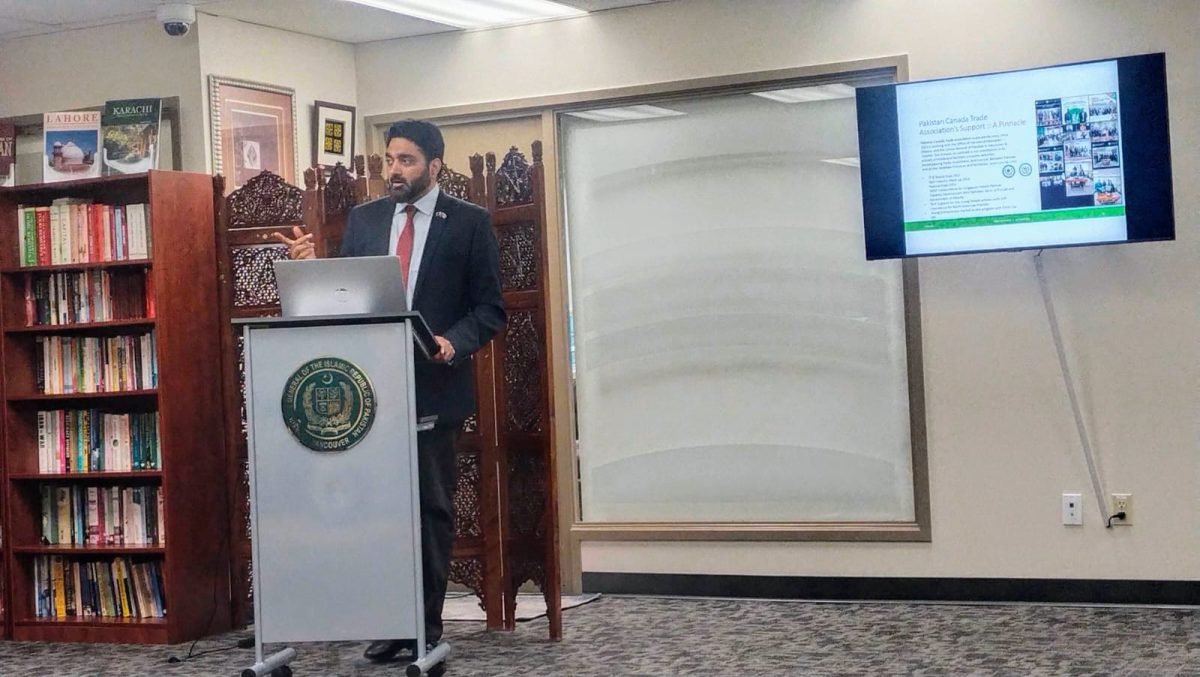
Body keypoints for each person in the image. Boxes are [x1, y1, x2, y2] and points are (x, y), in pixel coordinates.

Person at [273, 119, 505, 666]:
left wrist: (452, 342)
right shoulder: (366, 218)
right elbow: (348, 298)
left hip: (433, 389)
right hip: (367, 392)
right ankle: (390, 622)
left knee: (428, 510)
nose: (394, 171)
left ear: (434, 166)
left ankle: (423, 627)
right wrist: (312, 269)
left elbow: (490, 309)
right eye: (389, 160)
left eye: (406, 161)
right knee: (376, 510)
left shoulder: (469, 222)